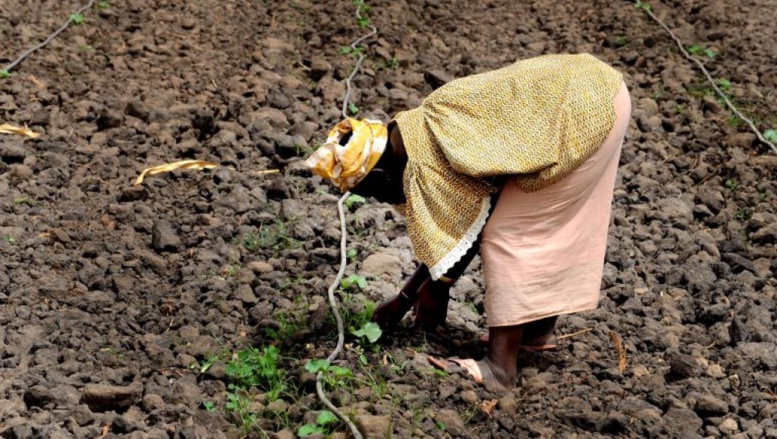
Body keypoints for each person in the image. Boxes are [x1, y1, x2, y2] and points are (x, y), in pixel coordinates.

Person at [305, 53, 631, 393]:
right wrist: (413, 295)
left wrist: (433, 289)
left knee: (513, 235)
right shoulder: (418, 129)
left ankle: (499, 370)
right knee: (542, 222)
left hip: (586, 111)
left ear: (383, 172)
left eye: (372, 191)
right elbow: (464, 229)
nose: (379, 201)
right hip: (593, 88)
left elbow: (471, 225)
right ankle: (533, 334)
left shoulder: (425, 163)